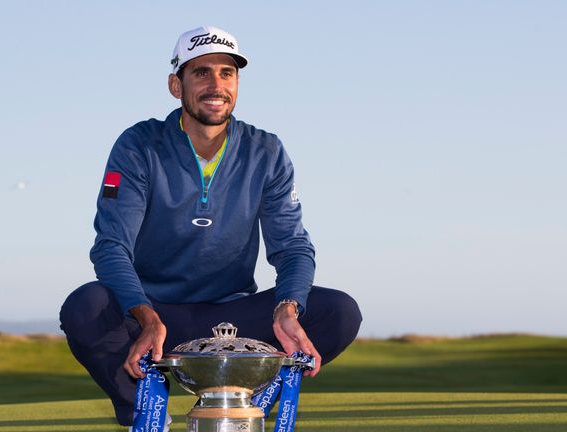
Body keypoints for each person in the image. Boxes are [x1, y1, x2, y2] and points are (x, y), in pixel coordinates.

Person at [60, 25, 362, 428]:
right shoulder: (139, 145)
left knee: (338, 311)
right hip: (154, 315)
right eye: (201, 72)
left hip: (232, 318)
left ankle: (238, 406)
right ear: (175, 84)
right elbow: (111, 246)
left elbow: (292, 247)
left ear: (237, 83)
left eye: (227, 73)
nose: (215, 84)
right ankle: (147, 415)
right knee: (86, 306)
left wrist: (287, 308)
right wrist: (147, 317)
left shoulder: (265, 150)